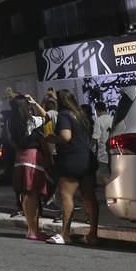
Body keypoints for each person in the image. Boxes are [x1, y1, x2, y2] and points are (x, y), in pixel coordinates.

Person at [44, 90, 99, 246]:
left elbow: (66, 137)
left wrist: (51, 139)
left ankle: (65, 234)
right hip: (87, 159)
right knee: (89, 198)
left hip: (72, 160)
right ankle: (93, 234)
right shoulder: (81, 115)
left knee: (66, 196)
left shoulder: (64, 115)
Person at [9, 94, 52, 241]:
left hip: (20, 157)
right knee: (32, 194)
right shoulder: (31, 120)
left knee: (26, 194)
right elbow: (47, 117)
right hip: (32, 157)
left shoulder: (12, 121)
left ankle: (30, 229)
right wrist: (35, 103)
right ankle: (34, 231)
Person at [91, 101, 113, 185]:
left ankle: (110, 190)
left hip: (103, 153)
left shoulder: (99, 120)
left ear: (96, 110)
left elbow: (95, 137)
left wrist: (90, 147)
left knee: (103, 176)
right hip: (113, 152)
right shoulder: (113, 118)